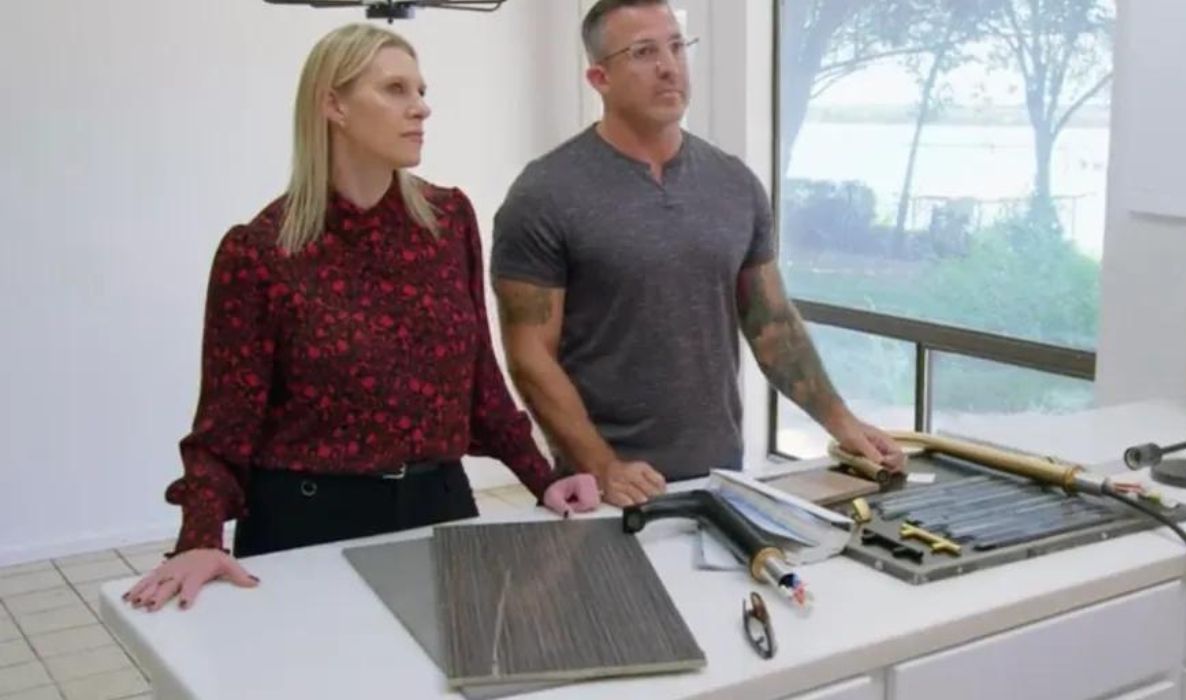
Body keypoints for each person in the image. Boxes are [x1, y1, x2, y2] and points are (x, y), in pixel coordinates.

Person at [124, 24, 597, 613]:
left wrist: (544, 476)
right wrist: (199, 540)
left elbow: (480, 380)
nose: (421, 107)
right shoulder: (260, 252)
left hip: (439, 506)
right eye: (395, 89)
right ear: (333, 104)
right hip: (307, 524)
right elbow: (224, 428)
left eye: (421, 90)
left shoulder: (448, 221)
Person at [489, 0, 906, 508]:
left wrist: (845, 424)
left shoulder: (735, 184)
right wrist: (602, 466)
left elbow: (772, 325)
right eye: (643, 52)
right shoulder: (544, 194)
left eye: (676, 46)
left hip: (720, 481)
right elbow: (530, 356)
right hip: (603, 494)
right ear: (599, 77)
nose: (669, 66)